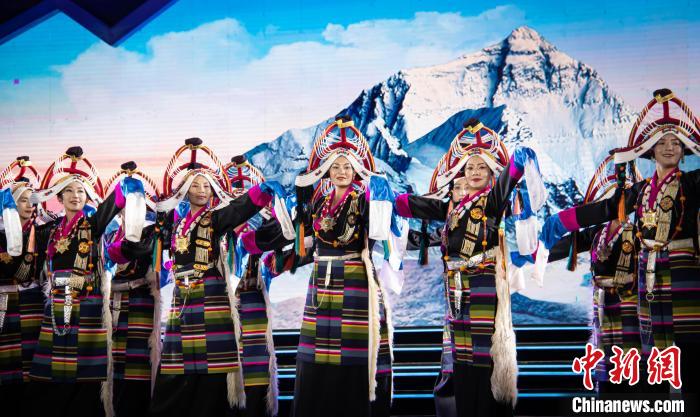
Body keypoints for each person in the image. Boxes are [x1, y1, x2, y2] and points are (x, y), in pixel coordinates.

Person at [540, 89, 700, 402]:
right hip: (650, 282)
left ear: (684, 151)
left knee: (690, 355)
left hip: (683, 276)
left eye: (675, 143)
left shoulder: (693, 184)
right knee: (654, 358)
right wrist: (562, 220)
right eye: (661, 143)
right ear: (650, 152)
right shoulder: (638, 192)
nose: (669, 148)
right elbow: (603, 209)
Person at [239, 115, 397, 417]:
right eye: (335, 167)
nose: (341, 172)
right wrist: (271, 254)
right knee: (315, 354)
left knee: (353, 354)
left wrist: (381, 199)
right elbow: (306, 242)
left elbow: (378, 231)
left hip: (355, 283)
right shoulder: (318, 202)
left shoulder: (365, 200)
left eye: (347, 166)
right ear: (326, 170)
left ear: (356, 169)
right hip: (321, 283)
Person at [393, 118, 544, 416]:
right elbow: (414, 205)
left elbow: (508, 179)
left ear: (490, 173)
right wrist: (384, 199)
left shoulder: (492, 203)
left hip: (482, 285)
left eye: (481, 168)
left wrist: (518, 163)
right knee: (461, 359)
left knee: (483, 358)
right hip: (457, 290)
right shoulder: (452, 208)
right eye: (470, 167)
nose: (475, 173)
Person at [149, 138, 283, 417]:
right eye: (195, 185)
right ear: (184, 190)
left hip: (212, 302)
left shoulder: (216, 219)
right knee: (175, 371)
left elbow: (238, 210)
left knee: (213, 375)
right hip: (183, 302)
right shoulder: (175, 225)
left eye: (206, 185)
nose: (201, 190)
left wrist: (260, 192)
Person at [28, 146, 145, 417]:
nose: (75, 196)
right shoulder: (52, 231)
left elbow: (110, 207)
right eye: (69, 191)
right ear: (59, 197)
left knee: (85, 371)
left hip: (87, 303)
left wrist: (125, 187)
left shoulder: (93, 225)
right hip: (57, 303)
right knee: (55, 371)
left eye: (80, 191)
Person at [101, 161, 161, 417]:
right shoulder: (109, 233)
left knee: (138, 366)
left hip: (140, 302)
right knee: (111, 364)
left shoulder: (151, 234)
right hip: (111, 302)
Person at [0, 156, 44, 405]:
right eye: (22, 200)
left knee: (32, 356)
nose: (29, 205)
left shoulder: (44, 230)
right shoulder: (1, 232)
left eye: (32, 199)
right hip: (3, 299)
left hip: (33, 301)